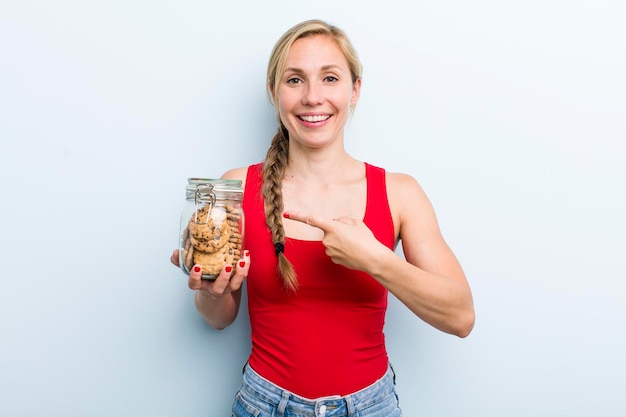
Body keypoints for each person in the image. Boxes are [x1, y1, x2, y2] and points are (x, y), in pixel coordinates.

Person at [171, 18, 474, 417]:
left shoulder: (400, 193)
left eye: (330, 78)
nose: (313, 97)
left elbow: (461, 317)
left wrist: (375, 259)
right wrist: (211, 292)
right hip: (264, 404)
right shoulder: (236, 187)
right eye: (294, 80)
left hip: (371, 407)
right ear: (274, 93)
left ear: (355, 90)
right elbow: (220, 319)